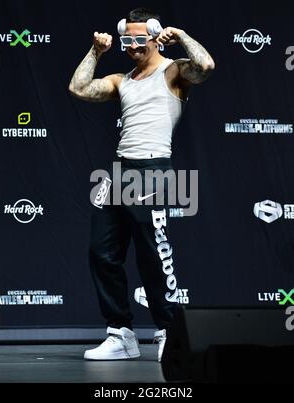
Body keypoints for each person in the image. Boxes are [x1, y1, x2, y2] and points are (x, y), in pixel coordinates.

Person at [69, 7, 215, 362]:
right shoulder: (122, 80)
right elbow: (79, 88)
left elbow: (206, 66)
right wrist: (96, 52)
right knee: (101, 251)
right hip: (118, 170)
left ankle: (169, 332)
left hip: (152, 170)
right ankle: (120, 333)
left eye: (140, 38)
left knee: (153, 254)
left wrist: (178, 34)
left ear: (154, 35)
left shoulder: (174, 72)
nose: (133, 45)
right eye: (127, 39)